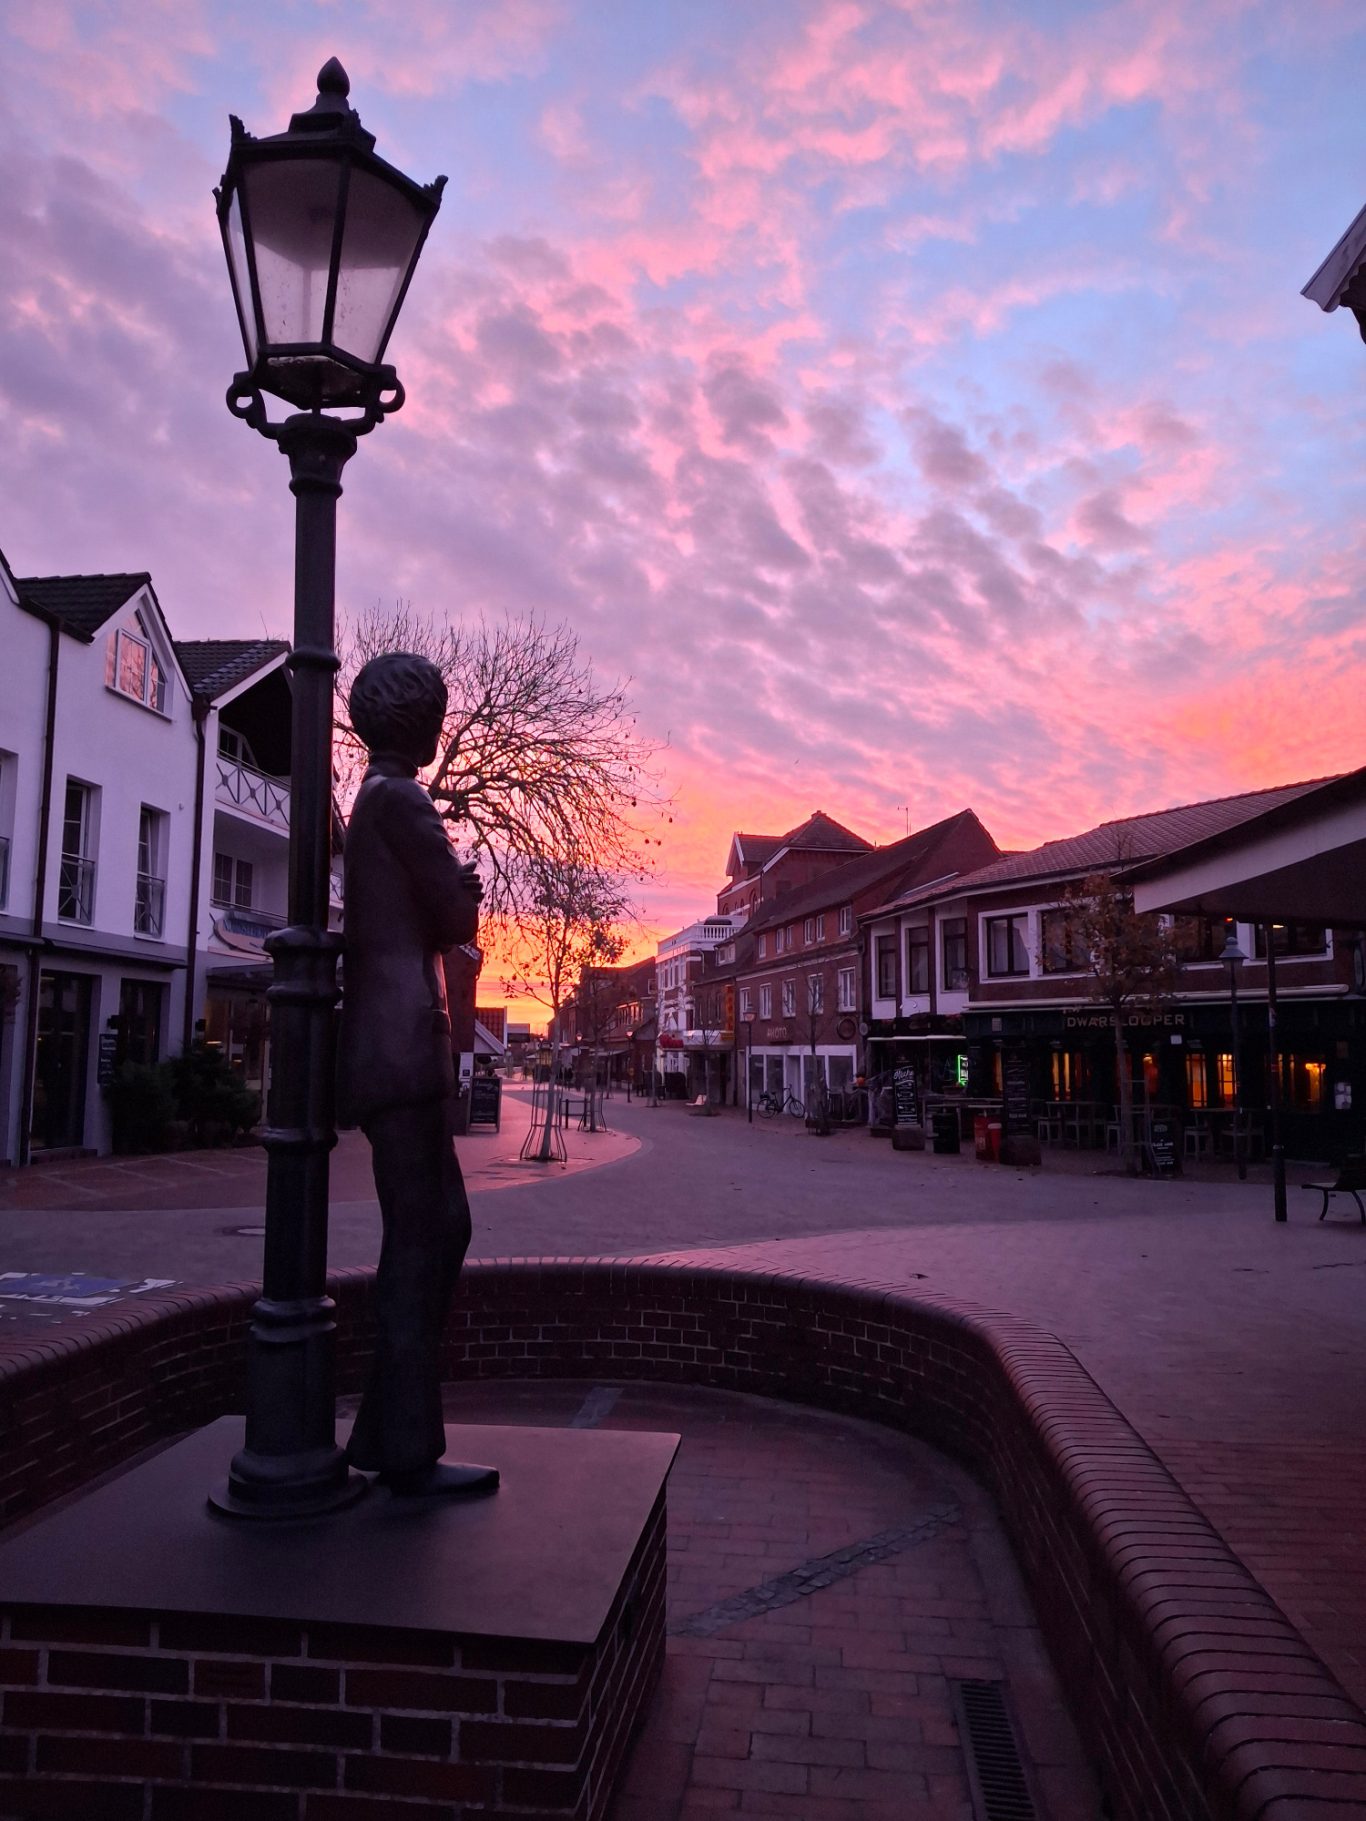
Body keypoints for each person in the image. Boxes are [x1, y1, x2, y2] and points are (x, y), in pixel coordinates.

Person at [336, 651, 498, 1499]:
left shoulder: (374, 801)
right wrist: (463, 885)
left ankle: (391, 1430)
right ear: (415, 721)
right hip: (401, 1045)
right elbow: (451, 910)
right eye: (436, 712)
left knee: (438, 1228)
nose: (441, 726)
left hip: (394, 1044)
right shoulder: (399, 798)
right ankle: (403, 1445)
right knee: (426, 1235)